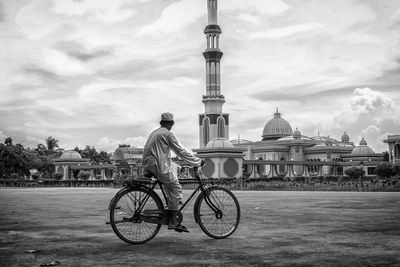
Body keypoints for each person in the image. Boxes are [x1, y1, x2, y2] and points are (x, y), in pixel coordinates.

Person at [142, 112, 204, 233]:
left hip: (148, 164)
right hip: (158, 165)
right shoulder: (168, 134)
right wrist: (197, 162)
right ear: (172, 123)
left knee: (176, 166)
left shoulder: (154, 132)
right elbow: (180, 151)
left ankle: (173, 201)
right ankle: (173, 221)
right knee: (176, 188)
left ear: (160, 123)